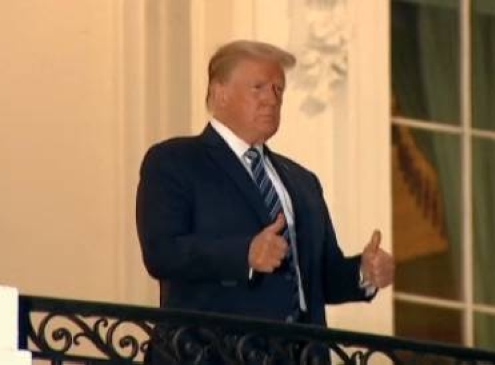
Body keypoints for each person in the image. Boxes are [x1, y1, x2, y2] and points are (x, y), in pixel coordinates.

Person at [136, 39, 394, 361]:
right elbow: (163, 253)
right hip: (211, 354)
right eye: (258, 87)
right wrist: (244, 253)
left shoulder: (302, 182)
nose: (271, 100)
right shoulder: (175, 161)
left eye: (278, 90)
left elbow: (317, 278)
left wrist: (363, 273)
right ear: (220, 93)